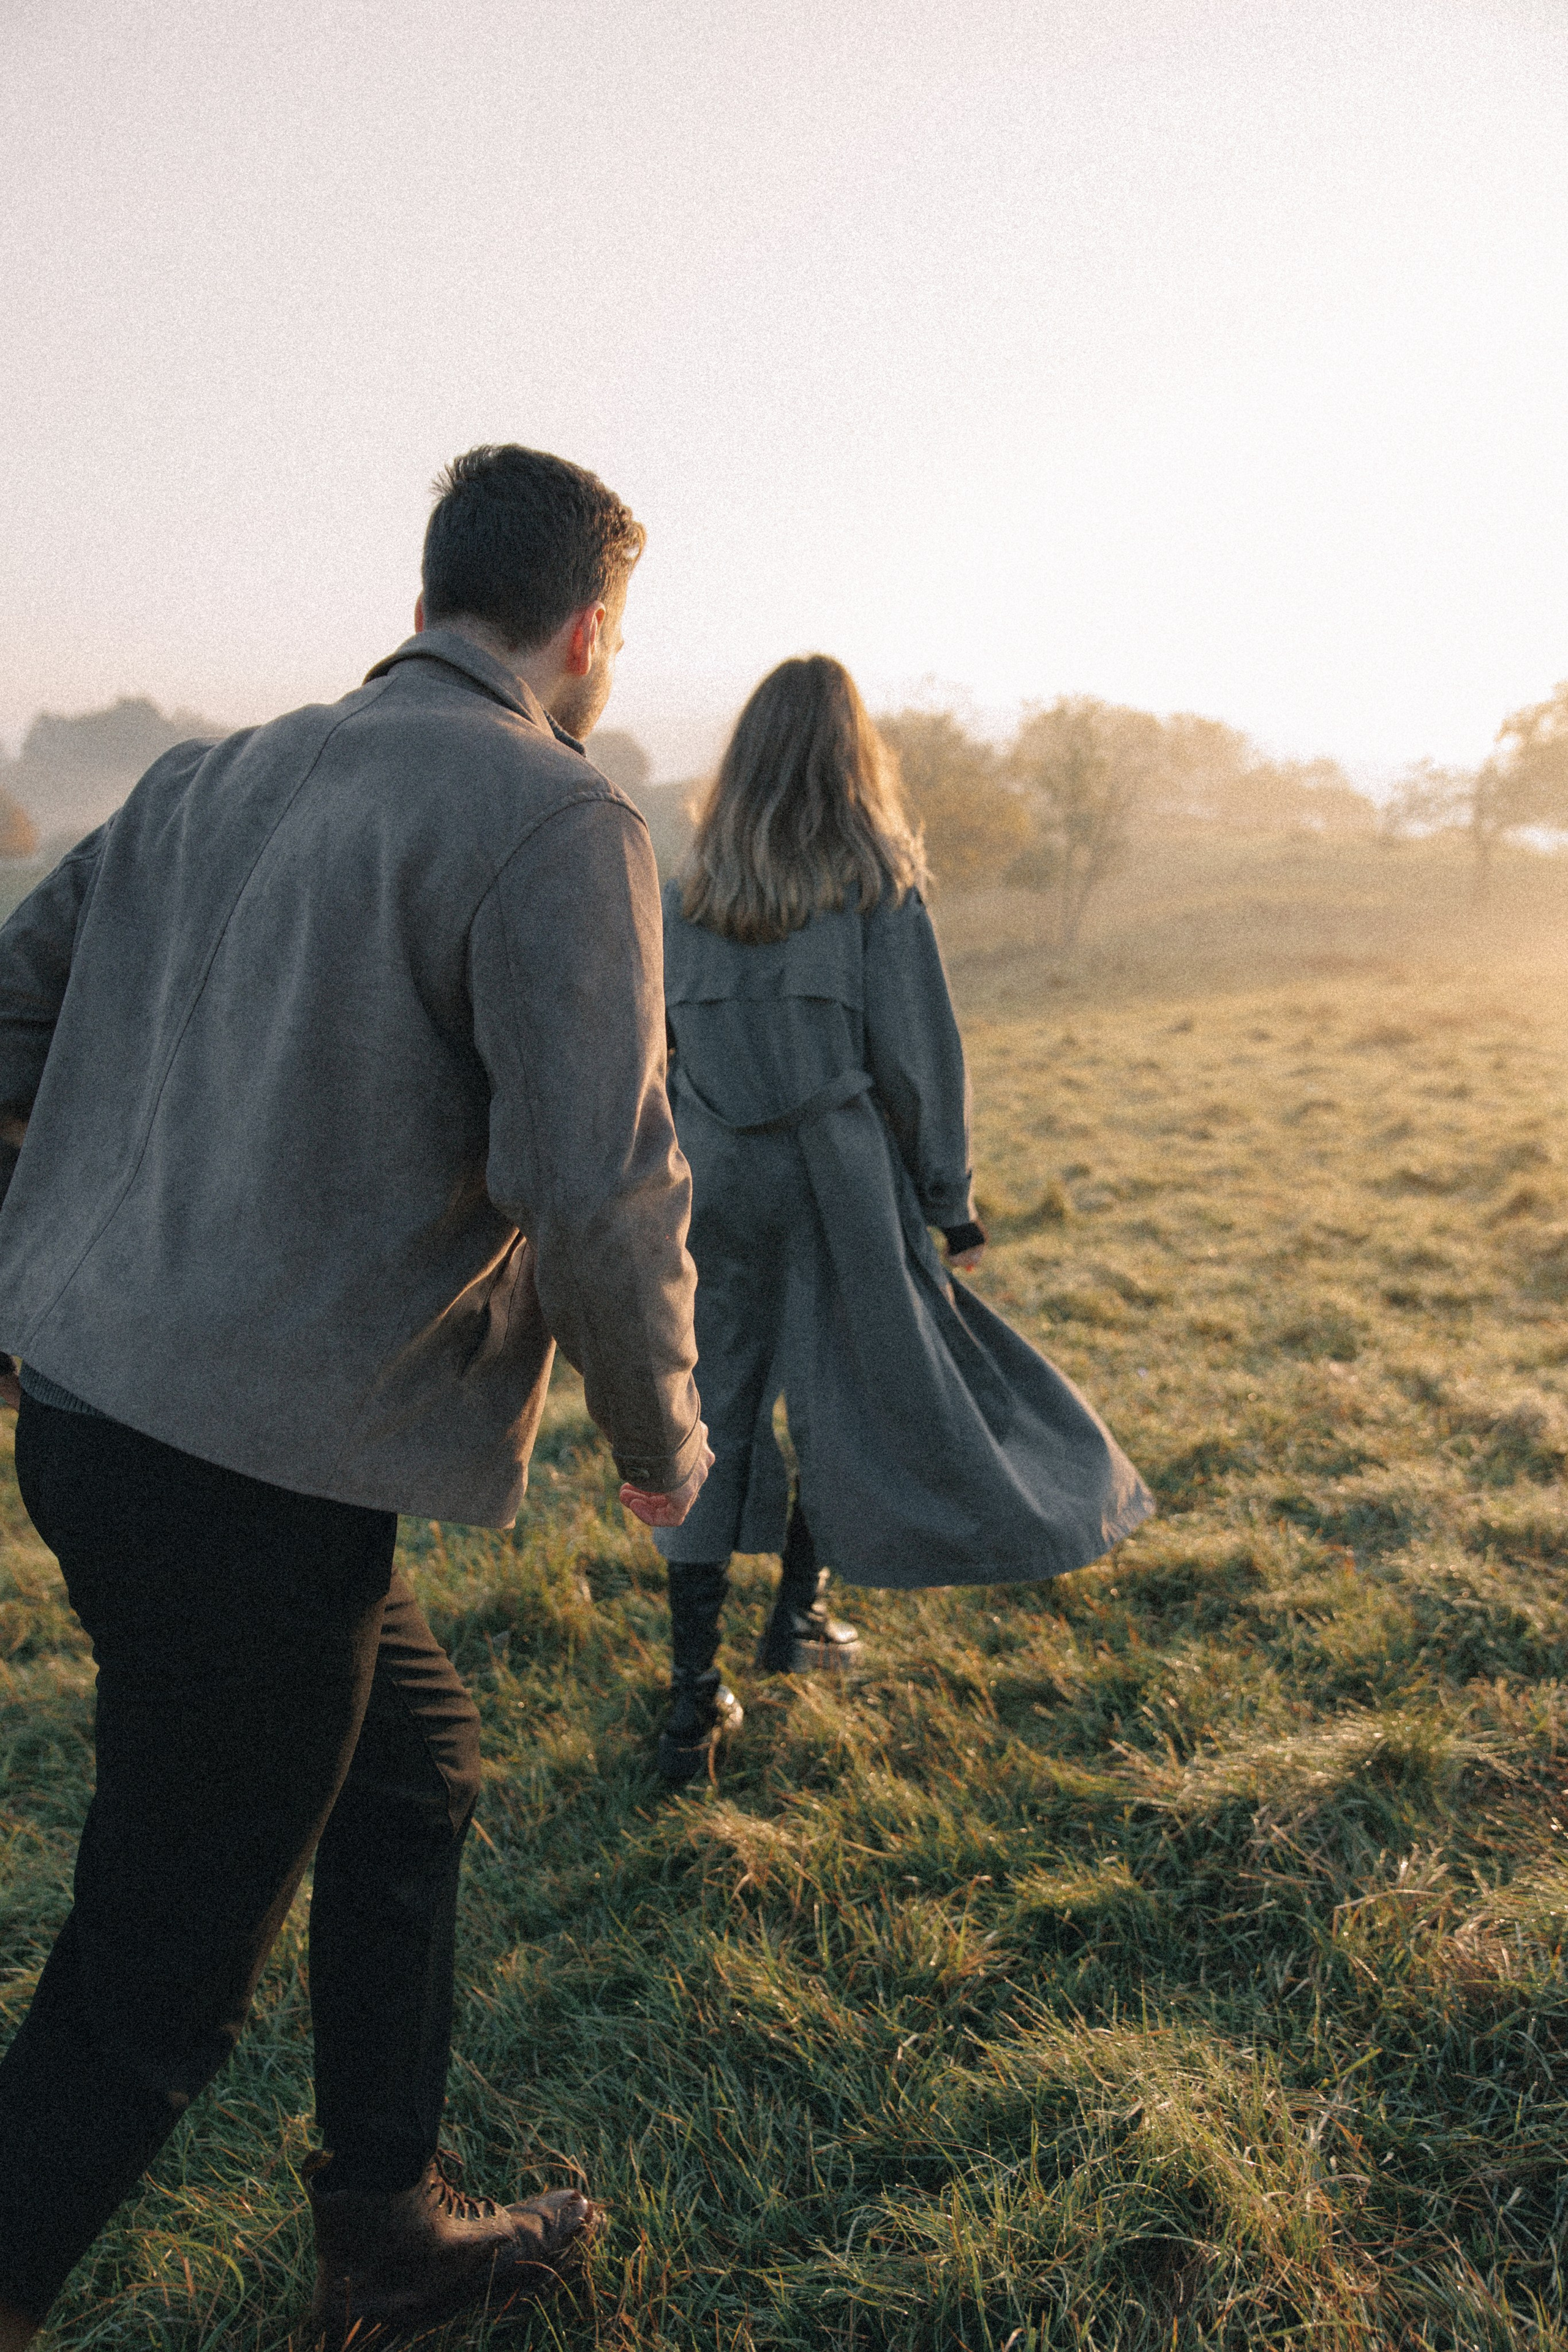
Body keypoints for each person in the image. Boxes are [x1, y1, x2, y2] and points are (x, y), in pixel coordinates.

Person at [0, 445, 710, 2348]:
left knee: (415, 1773)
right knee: (154, 1989)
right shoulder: (560, 816)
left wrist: (60, 1246)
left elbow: (8, 1011)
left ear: (421, 604)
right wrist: (662, 1441)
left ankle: (386, 2235)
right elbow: (598, 1185)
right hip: (243, 1480)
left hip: (90, 1416)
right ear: (590, 634)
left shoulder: (203, 777)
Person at [651, 655, 1152, 1784]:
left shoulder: (687, 889)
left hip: (712, 1178)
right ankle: (799, 1618)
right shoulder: (877, 886)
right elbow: (919, 1058)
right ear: (852, 754)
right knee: (847, 1395)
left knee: (709, 1412)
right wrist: (949, 1200)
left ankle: (692, 1701)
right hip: (839, 1176)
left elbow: (653, 1049)